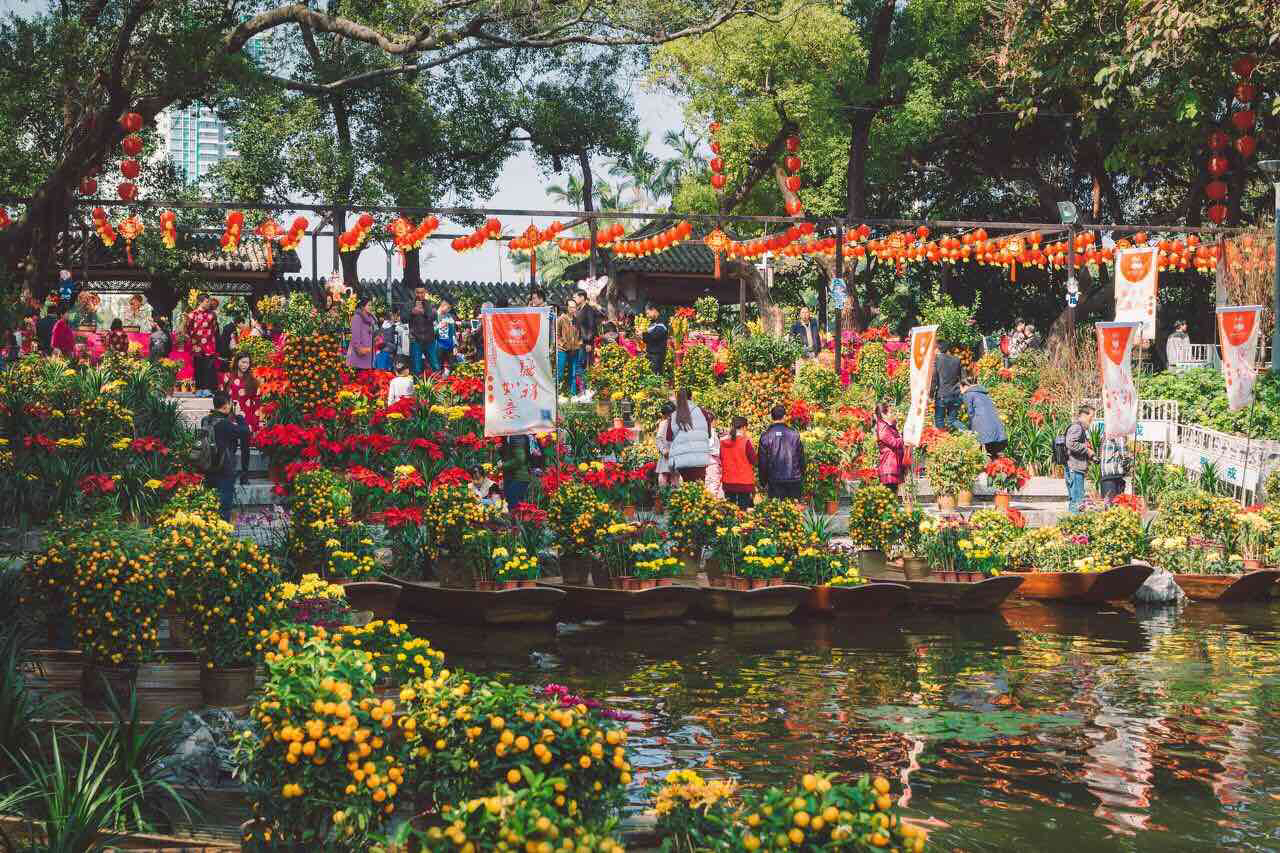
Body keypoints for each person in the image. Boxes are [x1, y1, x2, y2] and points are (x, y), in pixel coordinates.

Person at [204, 391, 251, 520]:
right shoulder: (225, 424)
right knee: (224, 506)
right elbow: (246, 432)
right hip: (224, 469)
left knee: (210, 504)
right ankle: (222, 534)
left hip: (208, 467)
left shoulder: (206, 420)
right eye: (230, 403)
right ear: (226, 406)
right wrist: (240, 417)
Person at [223, 353, 260, 484]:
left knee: (245, 448)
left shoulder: (253, 381)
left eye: (247, 363)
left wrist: (255, 423)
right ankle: (229, 474)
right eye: (243, 362)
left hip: (246, 417)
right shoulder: (228, 377)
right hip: (231, 416)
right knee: (231, 446)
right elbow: (223, 398)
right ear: (237, 362)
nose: (245, 365)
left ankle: (245, 475)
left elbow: (256, 402)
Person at [758, 404, 806, 500]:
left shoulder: (766, 436)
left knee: (777, 511)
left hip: (774, 479)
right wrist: (802, 475)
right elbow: (801, 457)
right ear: (785, 417)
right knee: (794, 510)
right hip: (793, 478)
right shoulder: (794, 434)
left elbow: (762, 462)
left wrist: (763, 481)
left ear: (772, 417)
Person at [665, 388, 713, 483]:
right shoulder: (702, 412)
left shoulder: (674, 415)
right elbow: (709, 435)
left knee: (688, 487)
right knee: (699, 488)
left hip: (682, 460)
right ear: (691, 397)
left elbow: (669, 438)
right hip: (700, 458)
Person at [960, 376, 1007, 457]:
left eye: (960, 388)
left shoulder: (968, 394)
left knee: (979, 451)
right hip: (995, 426)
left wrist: (969, 429)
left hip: (982, 425)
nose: (960, 391)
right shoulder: (983, 393)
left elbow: (970, 413)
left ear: (964, 386)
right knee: (994, 453)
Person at [720, 415, 757, 509]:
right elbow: (754, 460)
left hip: (728, 481)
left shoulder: (723, 442)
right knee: (742, 511)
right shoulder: (745, 442)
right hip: (744, 482)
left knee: (729, 510)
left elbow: (721, 458)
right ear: (744, 427)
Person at [1065, 404, 1096, 513]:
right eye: (1091, 416)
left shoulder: (1078, 427)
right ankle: (1075, 527)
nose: (1092, 419)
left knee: (1075, 501)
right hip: (1075, 468)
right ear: (1084, 415)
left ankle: (1071, 525)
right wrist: (1087, 450)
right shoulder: (1077, 427)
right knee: (1077, 502)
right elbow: (1071, 443)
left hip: (1074, 467)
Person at [184, 297, 218, 395]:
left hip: (210, 346)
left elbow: (215, 329)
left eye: (209, 301)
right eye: (206, 301)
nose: (208, 303)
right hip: (197, 347)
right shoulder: (192, 315)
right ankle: (199, 389)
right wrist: (192, 341)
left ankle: (207, 389)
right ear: (200, 302)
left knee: (208, 368)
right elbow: (186, 329)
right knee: (198, 367)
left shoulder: (212, 315)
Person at [875, 403, 906, 495]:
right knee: (890, 495)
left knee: (892, 495)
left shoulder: (887, 426)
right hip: (889, 466)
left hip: (892, 464)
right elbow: (894, 443)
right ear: (883, 414)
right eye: (890, 412)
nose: (893, 414)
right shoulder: (883, 428)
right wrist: (905, 438)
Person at [931, 346, 963, 430]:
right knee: (952, 420)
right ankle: (971, 434)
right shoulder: (957, 360)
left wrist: (930, 395)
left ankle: (941, 439)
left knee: (939, 419)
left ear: (937, 349)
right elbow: (963, 378)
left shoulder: (937, 360)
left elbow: (934, 379)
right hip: (955, 394)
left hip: (942, 395)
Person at [500, 434, 536, 508]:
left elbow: (520, 459)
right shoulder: (510, 435)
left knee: (513, 506)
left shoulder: (517, 436)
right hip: (513, 476)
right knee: (512, 505)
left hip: (518, 477)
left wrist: (503, 465)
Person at [556, 302, 580, 395]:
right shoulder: (561, 318)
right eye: (571, 307)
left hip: (574, 349)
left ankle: (572, 394)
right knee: (560, 372)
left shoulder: (576, 320)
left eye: (574, 307)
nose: (573, 309)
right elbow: (556, 333)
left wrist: (579, 343)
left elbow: (579, 333)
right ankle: (557, 393)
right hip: (563, 349)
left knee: (573, 372)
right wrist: (560, 343)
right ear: (567, 308)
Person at [347, 295, 376, 371]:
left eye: (371, 305)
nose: (371, 307)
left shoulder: (371, 318)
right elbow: (355, 336)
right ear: (363, 307)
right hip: (359, 355)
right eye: (369, 305)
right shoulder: (357, 317)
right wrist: (359, 349)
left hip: (368, 354)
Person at [1099, 435, 1130, 504]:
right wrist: (1127, 467)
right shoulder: (1119, 436)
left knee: (1107, 504)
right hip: (1114, 474)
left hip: (1105, 474)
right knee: (1115, 505)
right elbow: (1125, 456)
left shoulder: (1104, 437)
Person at [641, 303, 669, 376]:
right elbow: (649, 339)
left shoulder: (662, 322)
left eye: (648, 313)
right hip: (651, 353)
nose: (647, 316)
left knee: (656, 376)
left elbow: (655, 336)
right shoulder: (653, 323)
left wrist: (642, 335)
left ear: (653, 310)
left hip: (657, 355)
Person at [655, 401, 676, 488]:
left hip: (676, 455)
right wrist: (664, 450)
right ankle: (663, 499)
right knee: (662, 480)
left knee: (675, 481)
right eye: (667, 414)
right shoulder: (663, 424)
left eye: (670, 413)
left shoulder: (679, 424)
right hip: (666, 455)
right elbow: (658, 439)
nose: (668, 416)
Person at [409, 300, 432, 375]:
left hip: (427, 341)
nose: (418, 307)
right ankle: (417, 380)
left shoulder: (427, 313)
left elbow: (431, 320)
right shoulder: (412, 315)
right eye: (417, 305)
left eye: (420, 305)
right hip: (416, 340)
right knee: (416, 364)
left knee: (430, 362)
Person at [705, 413, 725, 499]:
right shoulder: (711, 431)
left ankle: (707, 503)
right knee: (714, 482)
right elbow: (711, 447)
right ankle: (712, 504)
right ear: (712, 421)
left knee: (708, 482)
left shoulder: (703, 431)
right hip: (713, 460)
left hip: (705, 460)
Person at [435, 299, 457, 375]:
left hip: (450, 347)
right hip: (438, 347)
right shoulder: (433, 316)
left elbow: (453, 333)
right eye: (448, 308)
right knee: (438, 368)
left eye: (449, 308)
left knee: (453, 367)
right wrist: (439, 327)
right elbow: (429, 332)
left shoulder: (450, 317)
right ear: (443, 305)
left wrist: (455, 346)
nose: (449, 310)